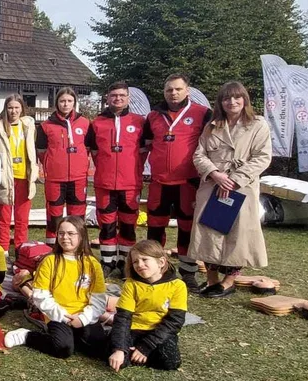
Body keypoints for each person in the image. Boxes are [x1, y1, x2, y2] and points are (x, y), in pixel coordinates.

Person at [189, 82, 272, 298]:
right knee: (208, 232)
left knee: (238, 234)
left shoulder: (257, 124)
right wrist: (215, 174)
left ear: (244, 99)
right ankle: (211, 279)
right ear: (221, 102)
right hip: (213, 185)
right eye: (226, 98)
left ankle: (229, 281)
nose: (232, 102)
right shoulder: (212, 126)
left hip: (241, 187)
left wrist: (234, 180)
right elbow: (199, 154)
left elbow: (262, 157)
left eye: (236, 97)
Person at [3, 216, 108, 358]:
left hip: (83, 314)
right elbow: (41, 296)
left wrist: (83, 318)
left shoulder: (92, 264)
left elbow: (99, 299)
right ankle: (27, 336)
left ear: (82, 236)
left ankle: (74, 335)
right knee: (63, 348)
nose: (65, 237)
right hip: (58, 315)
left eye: (71, 233)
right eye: (61, 233)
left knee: (99, 348)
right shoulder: (49, 261)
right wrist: (64, 317)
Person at [143, 74, 212, 289]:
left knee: (187, 228)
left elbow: (213, 145)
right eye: (169, 90)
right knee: (155, 227)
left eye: (178, 89)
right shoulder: (153, 116)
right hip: (159, 182)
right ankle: (154, 271)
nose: (173, 93)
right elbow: (145, 146)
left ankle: (188, 273)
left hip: (188, 182)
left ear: (187, 90)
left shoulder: (202, 113)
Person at [86, 82, 147, 278]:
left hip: (130, 183)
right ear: (107, 98)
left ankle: (125, 262)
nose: (118, 98)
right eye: (114, 95)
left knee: (129, 224)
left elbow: (143, 152)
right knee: (106, 223)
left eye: (122, 95)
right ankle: (107, 261)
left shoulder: (139, 122)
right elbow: (95, 152)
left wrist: (131, 169)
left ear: (128, 98)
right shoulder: (97, 123)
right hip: (105, 183)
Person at [108, 240, 187, 371]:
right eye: (135, 261)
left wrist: (145, 347)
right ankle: (131, 353)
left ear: (161, 262)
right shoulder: (131, 284)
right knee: (117, 359)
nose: (140, 265)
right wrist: (119, 349)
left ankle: (140, 354)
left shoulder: (178, 286)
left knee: (170, 361)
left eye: (145, 259)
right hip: (133, 330)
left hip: (159, 333)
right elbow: (123, 318)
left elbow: (174, 321)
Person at [37, 88, 91, 244]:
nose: (66, 104)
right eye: (62, 101)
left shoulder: (85, 123)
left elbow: (88, 148)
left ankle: (77, 247)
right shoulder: (45, 126)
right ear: (56, 103)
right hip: (55, 179)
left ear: (74, 102)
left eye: (69, 101)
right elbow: (41, 151)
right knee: (54, 215)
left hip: (78, 178)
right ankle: (52, 248)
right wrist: (54, 163)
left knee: (77, 216)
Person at [0, 95, 39, 249]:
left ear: (22, 108)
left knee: (22, 218)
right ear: (5, 109)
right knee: (3, 218)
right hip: (5, 178)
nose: (13, 111)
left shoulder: (29, 126)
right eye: (10, 107)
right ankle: (4, 249)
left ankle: (21, 248)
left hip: (24, 177)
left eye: (16, 107)